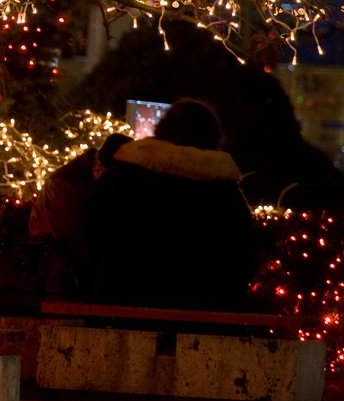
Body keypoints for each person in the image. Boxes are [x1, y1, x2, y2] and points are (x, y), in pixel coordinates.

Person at [76, 99, 259, 310]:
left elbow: (91, 233)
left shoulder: (122, 175)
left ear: (163, 128)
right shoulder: (224, 192)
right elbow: (243, 257)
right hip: (204, 310)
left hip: (123, 302)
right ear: (213, 137)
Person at [29, 132, 130, 298]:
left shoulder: (83, 178)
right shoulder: (68, 186)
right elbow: (74, 237)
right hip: (60, 276)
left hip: (64, 271)